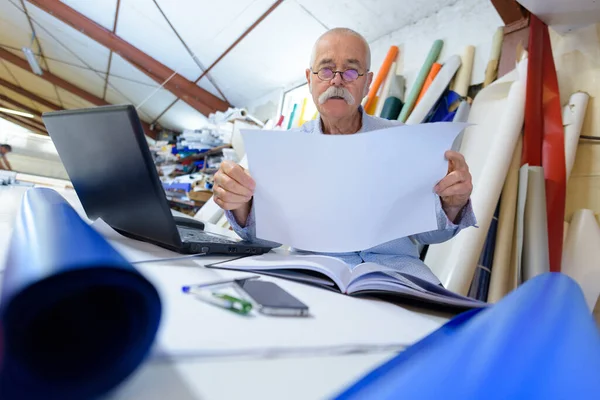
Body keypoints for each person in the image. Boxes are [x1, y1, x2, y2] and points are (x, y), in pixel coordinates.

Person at [212, 28, 476, 285]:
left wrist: (453, 204)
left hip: (399, 278)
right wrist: (240, 204)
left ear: (368, 83)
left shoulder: (406, 141)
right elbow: (263, 240)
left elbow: (431, 234)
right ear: (310, 78)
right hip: (313, 276)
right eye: (326, 69)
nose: (337, 80)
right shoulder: (284, 149)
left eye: (351, 70)